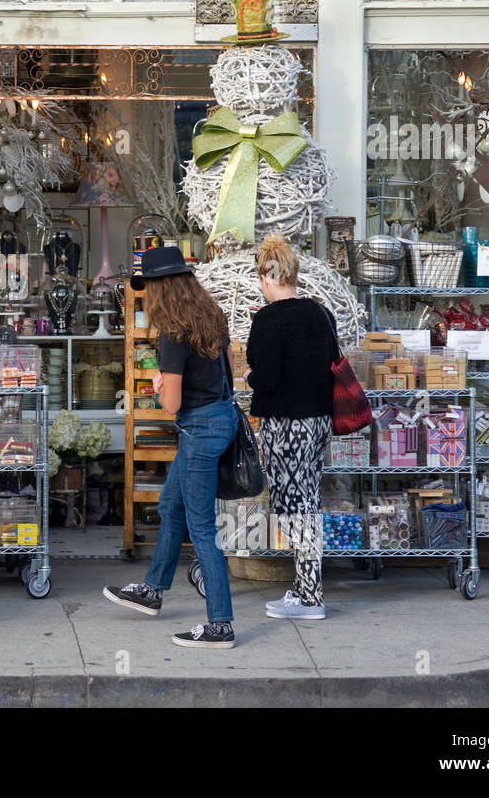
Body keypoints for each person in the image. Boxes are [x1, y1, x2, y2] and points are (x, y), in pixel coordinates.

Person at [103, 245, 239, 649]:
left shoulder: (172, 335)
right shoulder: (212, 316)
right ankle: (153, 590)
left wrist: (161, 384)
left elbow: (172, 405)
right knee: (170, 505)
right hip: (222, 418)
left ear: (161, 289)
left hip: (198, 427)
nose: (144, 297)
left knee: (201, 528)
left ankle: (220, 625)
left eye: (146, 290)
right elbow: (233, 369)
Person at [246, 234, 338, 621]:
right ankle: (303, 590)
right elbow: (333, 361)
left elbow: (265, 379)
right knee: (308, 501)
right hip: (318, 421)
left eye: (260, 278)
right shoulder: (320, 313)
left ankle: (311, 597)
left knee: (291, 506)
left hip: (285, 425)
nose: (261, 285)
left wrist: (251, 375)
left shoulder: (268, 319)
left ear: (268, 277)